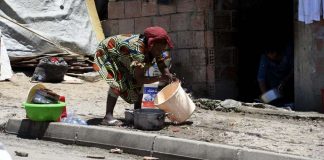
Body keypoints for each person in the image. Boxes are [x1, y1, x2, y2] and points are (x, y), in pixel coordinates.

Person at [93, 26, 177, 126]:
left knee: (134, 80)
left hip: (122, 54)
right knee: (118, 82)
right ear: (152, 45)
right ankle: (108, 117)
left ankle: (137, 113)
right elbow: (140, 79)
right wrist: (160, 78)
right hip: (107, 52)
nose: (161, 51)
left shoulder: (154, 47)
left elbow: (160, 61)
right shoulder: (138, 51)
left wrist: (168, 74)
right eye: (159, 49)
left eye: (163, 49)